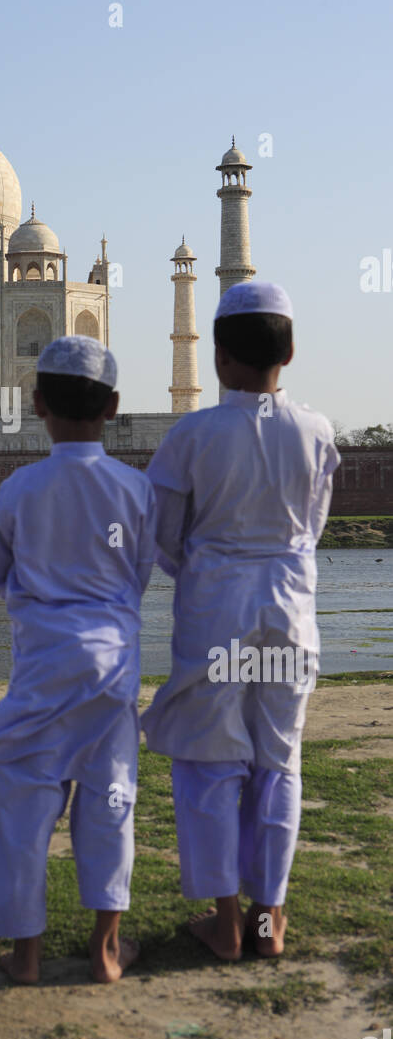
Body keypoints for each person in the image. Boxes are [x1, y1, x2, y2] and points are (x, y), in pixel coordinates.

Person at [141, 281, 340, 960]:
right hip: (290, 608)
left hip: (214, 609)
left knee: (210, 760)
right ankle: (268, 919)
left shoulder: (191, 434)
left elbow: (164, 537)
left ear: (219, 355)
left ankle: (225, 921)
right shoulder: (316, 431)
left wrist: (207, 569)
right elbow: (309, 529)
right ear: (290, 350)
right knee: (278, 759)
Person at [0, 336, 155, 985]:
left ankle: (26, 957)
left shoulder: (20, 487)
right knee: (110, 804)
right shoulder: (136, 489)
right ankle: (104, 949)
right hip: (112, 671)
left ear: (35, 402)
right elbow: (140, 575)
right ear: (114, 407)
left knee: (24, 812)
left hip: (41, 671)